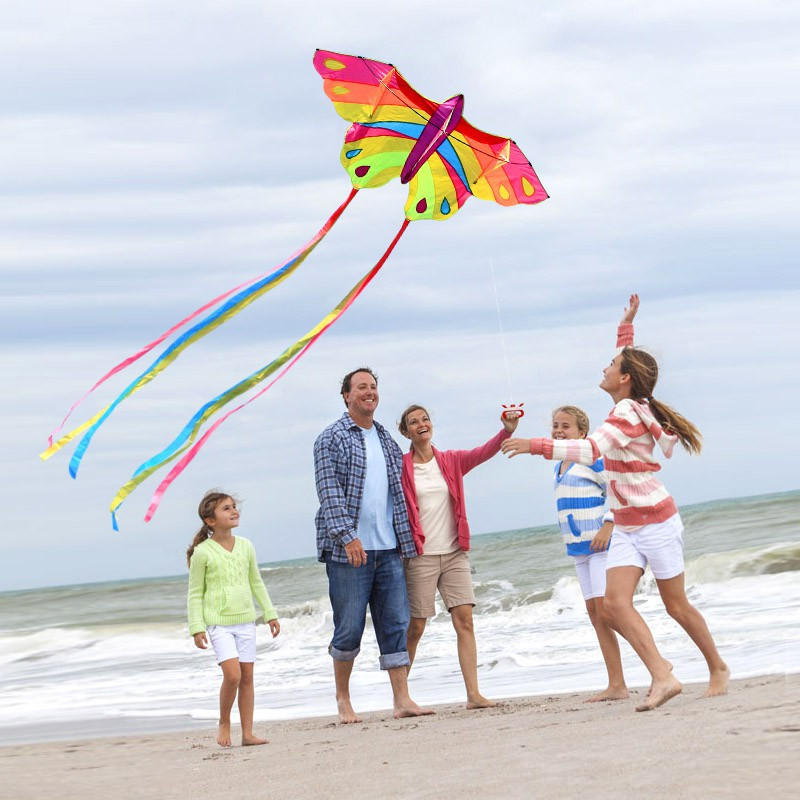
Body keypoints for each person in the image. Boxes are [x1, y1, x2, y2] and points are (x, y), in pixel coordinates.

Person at [502, 295, 729, 711]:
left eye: (611, 366)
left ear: (624, 379)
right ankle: (662, 675)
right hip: (627, 523)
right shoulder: (627, 402)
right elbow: (625, 365)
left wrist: (534, 445)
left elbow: (591, 450)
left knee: (675, 605)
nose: (605, 368)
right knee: (613, 604)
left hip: (657, 521)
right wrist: (626, 327)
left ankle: (717, 667)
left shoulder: (625, 413)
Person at [314, 367, 434, 724]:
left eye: (373, 387)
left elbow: (399, 495)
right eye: (361, 387)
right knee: (349, 626)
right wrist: (347, 536)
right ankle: (343, 700)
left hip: (389, 547)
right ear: (347, 396)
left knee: (395, 623)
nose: (369, 392)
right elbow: (328, 491)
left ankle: (402, 699)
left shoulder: (385, 438)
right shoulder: (331, 438)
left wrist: (407, 544)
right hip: (348, 550)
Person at [398, 405, 518, 709]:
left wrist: (507, 431)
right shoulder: (400, 468)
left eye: (425, 419)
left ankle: (473, 695)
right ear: (406, 431)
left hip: (454, 553)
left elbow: (483, 452)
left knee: (465, 621)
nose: (421, 424)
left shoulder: (450, 461)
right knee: (416, 627)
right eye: (414, 422)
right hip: (420, 556)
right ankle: (401, 696)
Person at [546, 405, 628, 702]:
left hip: (601, 546)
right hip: (579, 550)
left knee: (609, 611)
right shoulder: (559, 465)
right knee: (596, 615)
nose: (558, 431)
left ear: (582, 433)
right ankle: (616, 684)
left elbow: (621, 490)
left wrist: (609, 524)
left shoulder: (592, 459)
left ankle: (654, 659)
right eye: (555, 425)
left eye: (565, 426)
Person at [187, 491, 281, 747]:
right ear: (210, 520)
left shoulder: (246, 546)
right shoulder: (202, 553)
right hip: (219, 624)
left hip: (246, 621)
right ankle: (224, 722)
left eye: (234, 506)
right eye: (226, 508)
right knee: (233, 676)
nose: (234, 511)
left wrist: (269, 613)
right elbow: (195, 593)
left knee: (247, 676)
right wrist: (197, 627)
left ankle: (248, 733)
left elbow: (256, 582)